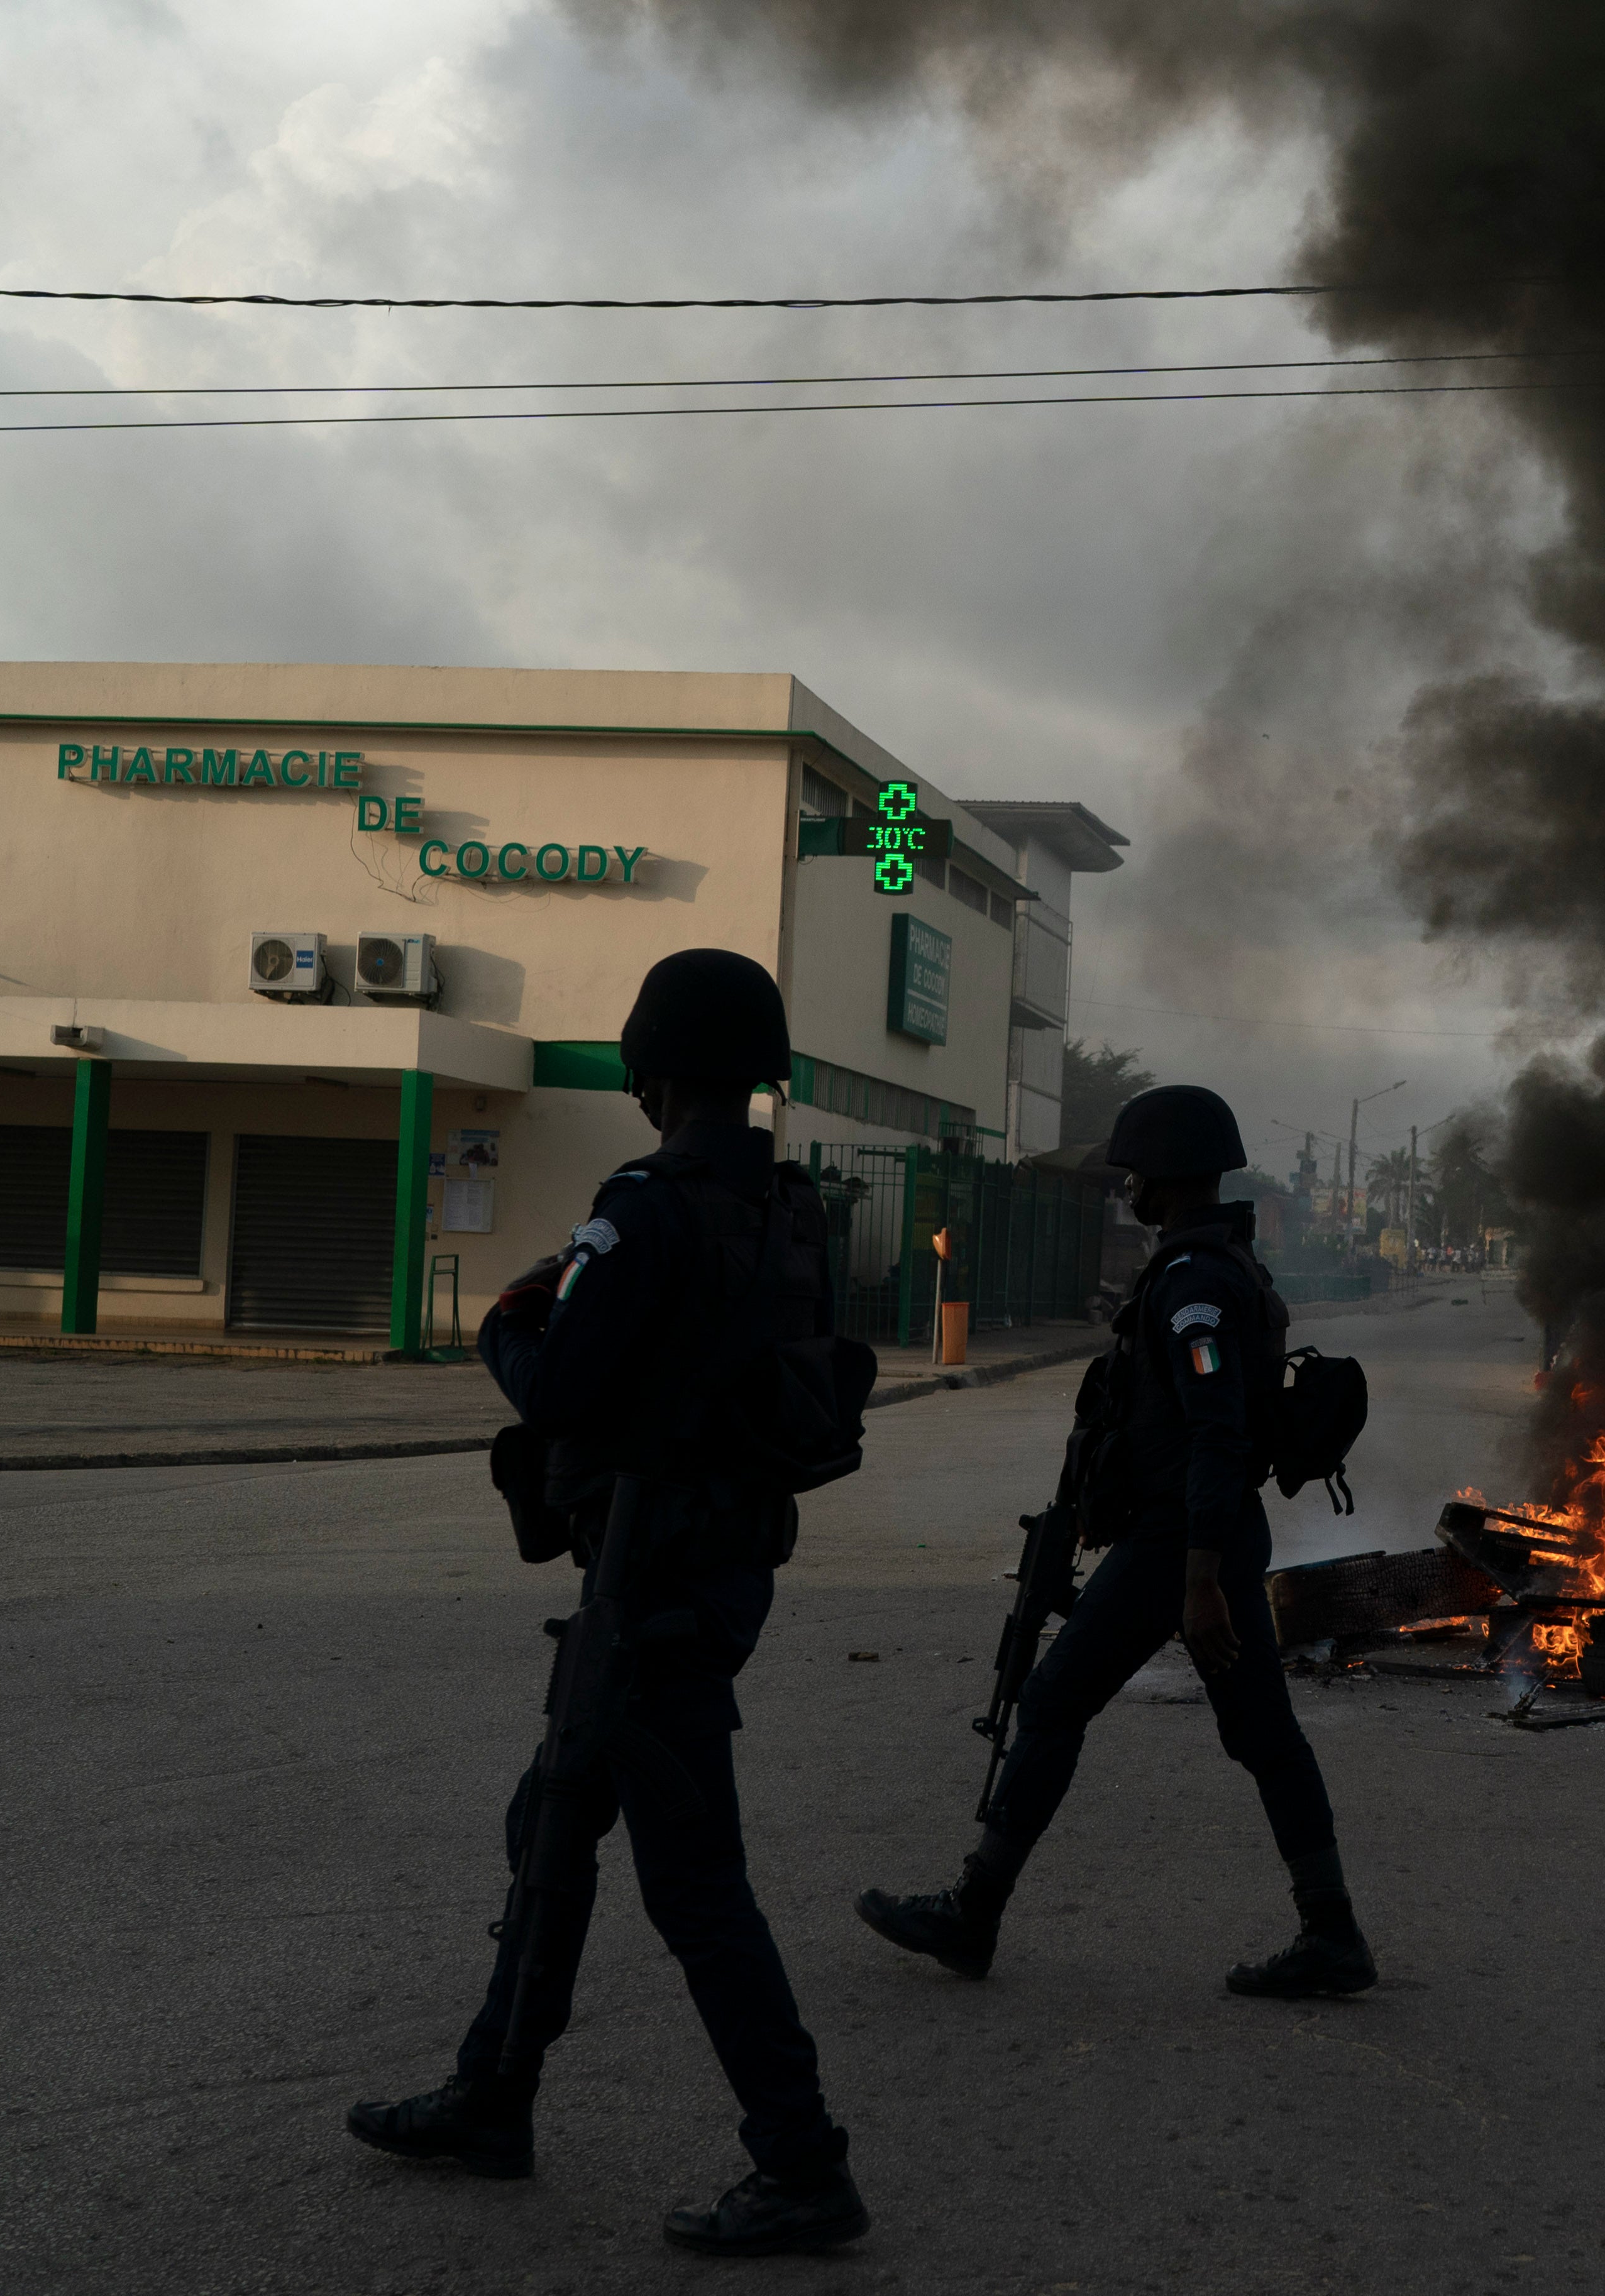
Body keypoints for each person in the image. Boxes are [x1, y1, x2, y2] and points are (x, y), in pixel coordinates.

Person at [346, 948, 869, 2258]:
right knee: (554, 1820)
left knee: (697, 1890)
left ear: (648, 1073)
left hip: (651, 1586)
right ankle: (495, 2095)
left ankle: (803, 2165)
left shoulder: (642, 1209)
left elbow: (562, 1384)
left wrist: (501, 1327)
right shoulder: (791, 1211)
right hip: (721, 1565)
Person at [856, 1082, 1376, 1997]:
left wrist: (1199, 1580)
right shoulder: (1217, 1266)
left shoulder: (1194, 1287)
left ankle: (974, 1913)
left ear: (1166, 1178)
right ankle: (1331, 1929)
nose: (1126, 1187)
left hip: (1179, 1545)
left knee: (1054, 1701)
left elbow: (1216, 1432)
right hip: (1197, 1538)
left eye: (1135, 1173)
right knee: (1266, 1736)